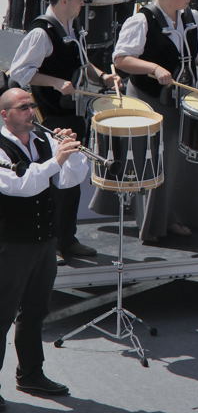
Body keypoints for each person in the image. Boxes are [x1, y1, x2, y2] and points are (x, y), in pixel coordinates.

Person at [98, 0, 198, 242]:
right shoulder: (142, 20)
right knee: (162, 162)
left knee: (189, 158)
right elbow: (121, 59)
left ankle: (184, 214)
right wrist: (153, 68)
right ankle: (162, 221)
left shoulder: (190, 16)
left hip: (185, 101)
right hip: (152, 102)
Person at [9, 0, 120, 259]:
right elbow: (20, 73)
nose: (84, 3)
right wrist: (55, 83)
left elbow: (82, 62)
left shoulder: (73, 26)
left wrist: (104, 77)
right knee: (52, 181)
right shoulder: (42, 33)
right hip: (52, 116)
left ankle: (66, 239)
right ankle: (51, 241)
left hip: (72, 115)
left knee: (70, 179)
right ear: (64, 0)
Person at [0, 87, 89, 404]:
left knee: (35, 310)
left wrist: (72, 152)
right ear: (5, 114)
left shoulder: (43, 140)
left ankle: (31, 375)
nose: (30, 111)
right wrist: (57, 159)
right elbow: (22, 185)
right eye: (23, 107)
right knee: (1, 315)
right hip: (10, 244)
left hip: (43, 242)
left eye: (32, 105)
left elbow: (68, 180)